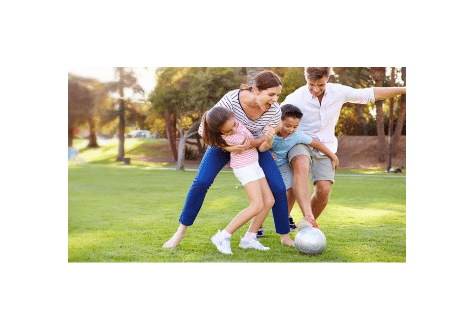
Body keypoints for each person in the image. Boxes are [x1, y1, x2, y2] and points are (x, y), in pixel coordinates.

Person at [163, 70, 295, 248]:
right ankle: (181, 231)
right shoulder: (232, 100)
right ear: (256, 90)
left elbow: (265, 140)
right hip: (221, 145)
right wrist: (228, 147)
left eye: (278, 95)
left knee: (278, 188)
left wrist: (265, 139)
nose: (275, 100)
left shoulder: (274, 110)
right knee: (201, 182)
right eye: (271, 94)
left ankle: (282, 237)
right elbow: (204, 130)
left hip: (252, 146)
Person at [280, 67, 406, 223]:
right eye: (311, 84)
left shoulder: (338, 92)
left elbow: (369, 94)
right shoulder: (296, 97)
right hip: (300, 142)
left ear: (328, 77)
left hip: (326, 146)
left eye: (320, 85)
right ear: (305, 77)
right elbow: (275, 116)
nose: (315, 89)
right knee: (301, 164)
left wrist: (404, 89)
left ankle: (306, 226)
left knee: (324, 190)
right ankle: (292, 218)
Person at [201, 107, 275, 254]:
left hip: (254, 164)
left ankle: (249, 238)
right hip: (244, 167)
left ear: (233, 118)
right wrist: (267, 135)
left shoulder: (234, 122)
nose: (234, 130)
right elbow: (255, 142)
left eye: (234, 125)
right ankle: (223, 236)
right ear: (220, 133)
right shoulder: (233, 138)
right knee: (256, 205)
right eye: (228, 131)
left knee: (269, 201)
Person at [259, 104, 339, 229]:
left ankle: (284, 218)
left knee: (292, 188)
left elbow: (316, 143)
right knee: (265, 196)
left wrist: (333, 156)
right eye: (287, 126)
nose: (291, 129)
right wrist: (268, 155)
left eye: (295, 126)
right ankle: (258, 225)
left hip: (283, 166)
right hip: (267, 166)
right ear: (278, 121)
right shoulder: (270, 133)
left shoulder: (297, 135)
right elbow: (258, 148)